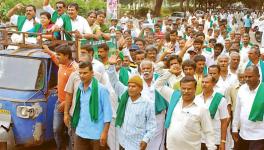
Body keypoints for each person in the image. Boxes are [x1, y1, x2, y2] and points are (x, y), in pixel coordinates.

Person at [107, 56, 157, 150]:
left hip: (136, 144)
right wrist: (111, 65)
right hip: (122, 141)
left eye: (133, 86)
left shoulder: (147, 103)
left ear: (140, 89)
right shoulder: (125, 94)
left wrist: (145, 140)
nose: (130, 88)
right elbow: (114, 81)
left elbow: (152, 126)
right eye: (129, 86)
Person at [155, 74, 215, 150]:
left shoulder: (202, 108)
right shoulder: (174, 98)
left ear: (195, 89)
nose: (186, 91)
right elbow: (157, 85)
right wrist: (170, 72)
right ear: (180, 88)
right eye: (183, 88)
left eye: (189, 89)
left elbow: (209, 132)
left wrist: (211, 148)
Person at [42, 44, 78, 150]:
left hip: (71, 106)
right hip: (59, 103)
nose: (57, 57)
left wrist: (66, 103)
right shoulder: (61, 64)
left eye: (59, 55)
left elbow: (76, 91)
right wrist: (48, 50)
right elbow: (53, 56)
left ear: (66, 56)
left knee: (71, 131)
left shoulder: (75, 70)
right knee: (56, 129)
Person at [72, 61, 112, 150]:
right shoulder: (80, 88)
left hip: (97, 134)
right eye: (80, 73)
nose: (82, 75)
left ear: (92, 73)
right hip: (80, 131)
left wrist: (105, 133)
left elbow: (108, 113)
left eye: (85, 73)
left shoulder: (102, 89)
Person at [232, 66, 264, 150]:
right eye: (245, 76)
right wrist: (234, 128)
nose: (247, 79)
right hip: (243, 134)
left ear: (258, 76)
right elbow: (237, 110)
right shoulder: (242, 89)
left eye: (250, 77)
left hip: (260, 136)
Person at [196, 75, 229, 150]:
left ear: (213, 84)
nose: (204, 84)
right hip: (198, 139)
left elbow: (224, 122)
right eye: (203, 82)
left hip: (214, 139)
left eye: (207, 82)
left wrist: (223, 141)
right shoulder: (196, 98)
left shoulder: (220, 99)